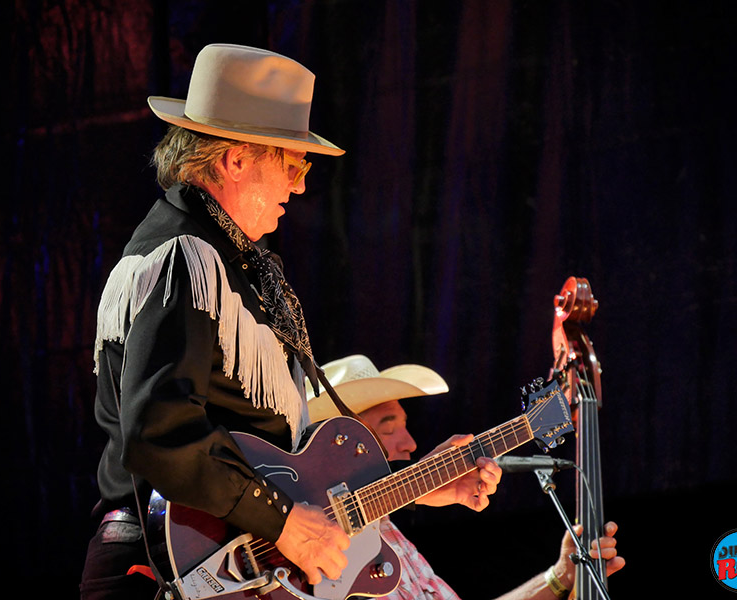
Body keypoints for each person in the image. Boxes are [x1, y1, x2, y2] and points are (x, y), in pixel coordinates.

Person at [79, 44, 501, 600]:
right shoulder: (188, 259)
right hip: (163, 574)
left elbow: (291, 470)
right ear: (234, 160)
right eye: (292, 163)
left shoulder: (230, 264)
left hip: (220, 569)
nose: (300, 185)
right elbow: (159, 434)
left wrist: (415, 486)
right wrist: (283, 523)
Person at [307, 354, 626, 600]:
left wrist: (559, 576)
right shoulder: (312, 542)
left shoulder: (390, 537)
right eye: (388, 428)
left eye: (404, 425)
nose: (411, 443)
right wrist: (421, 484)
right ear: (339, 445)